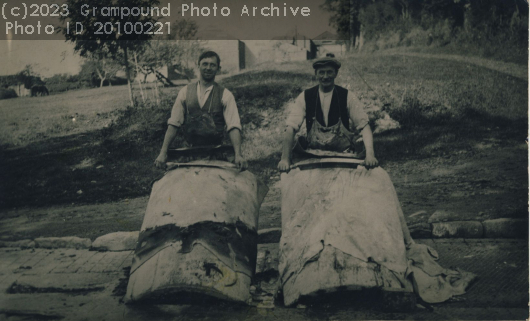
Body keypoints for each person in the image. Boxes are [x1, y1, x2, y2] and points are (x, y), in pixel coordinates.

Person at [277, 55, 378, 172]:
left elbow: (364, 126)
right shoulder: (305, 96)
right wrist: (285, 158)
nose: (325, 76)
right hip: (313, 155)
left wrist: (370, 155)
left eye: (329, 72)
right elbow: (290, 129)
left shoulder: (347, 96)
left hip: (344, 156)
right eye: (321, 72)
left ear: (336, 73)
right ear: (316, 74)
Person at [155, 51, 247, 170]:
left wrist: (238, 155)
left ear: (218, 68)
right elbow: (173, 124)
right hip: (189, 153)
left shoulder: (225, 95)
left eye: (212, 65)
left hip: (216, 153)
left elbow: (233, 126)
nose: (208, 68)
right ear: (198, 66)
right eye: (205, 64)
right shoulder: (185, 92)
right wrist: (163, 153)